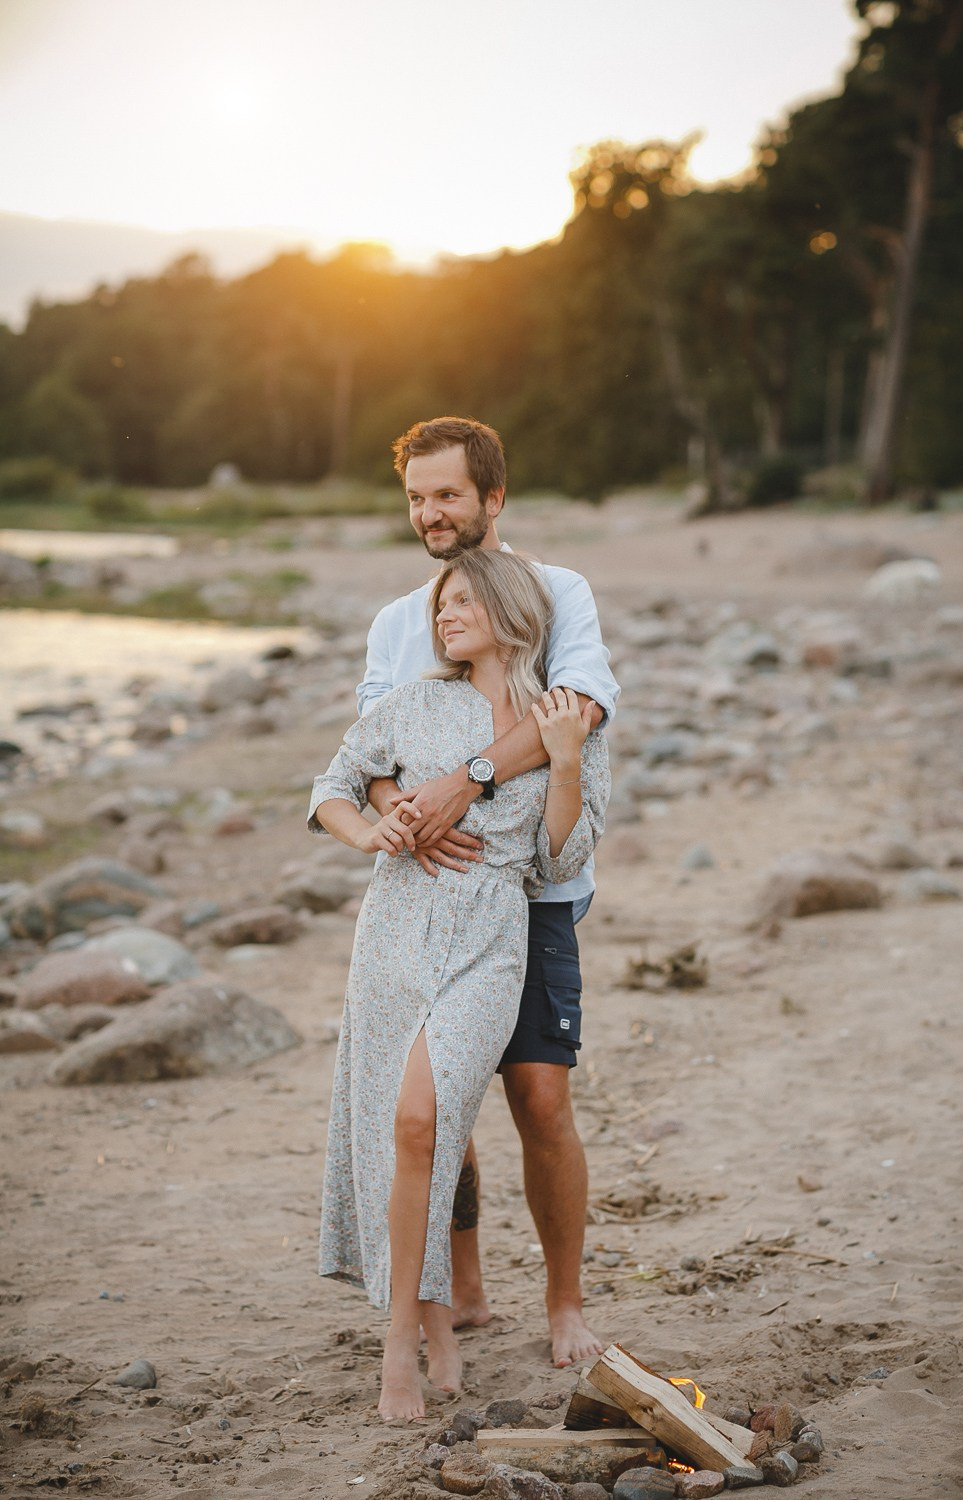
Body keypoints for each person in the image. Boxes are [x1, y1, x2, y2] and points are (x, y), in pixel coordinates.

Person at [308, 549, 610, 1421]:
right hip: (396, 929)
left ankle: (442, 1321)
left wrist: (562, 763)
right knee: (409, 1129)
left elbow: (556, 855)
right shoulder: (411, 704)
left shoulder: (561, 716)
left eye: (465, 601)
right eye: (442, 602)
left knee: (425, 1117)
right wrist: (370, 833)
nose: (444, 614)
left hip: (491, 939)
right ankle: (411, 1335)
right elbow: (332, 786)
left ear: (513, 611)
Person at [357, 416, 620, 1368]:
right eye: (418, 497)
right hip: (429, 891)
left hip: (536, 892)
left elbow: (579, 710)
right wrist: (400, 808)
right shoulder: (399, 621)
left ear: (492, 497)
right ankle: (460, 1292)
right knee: (442, 1104)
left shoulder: (557, 594)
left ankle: (564, 1304)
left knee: (540, 1097)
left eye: (449, 495)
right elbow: (370, 755)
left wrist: (466, 777)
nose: (431, 513)